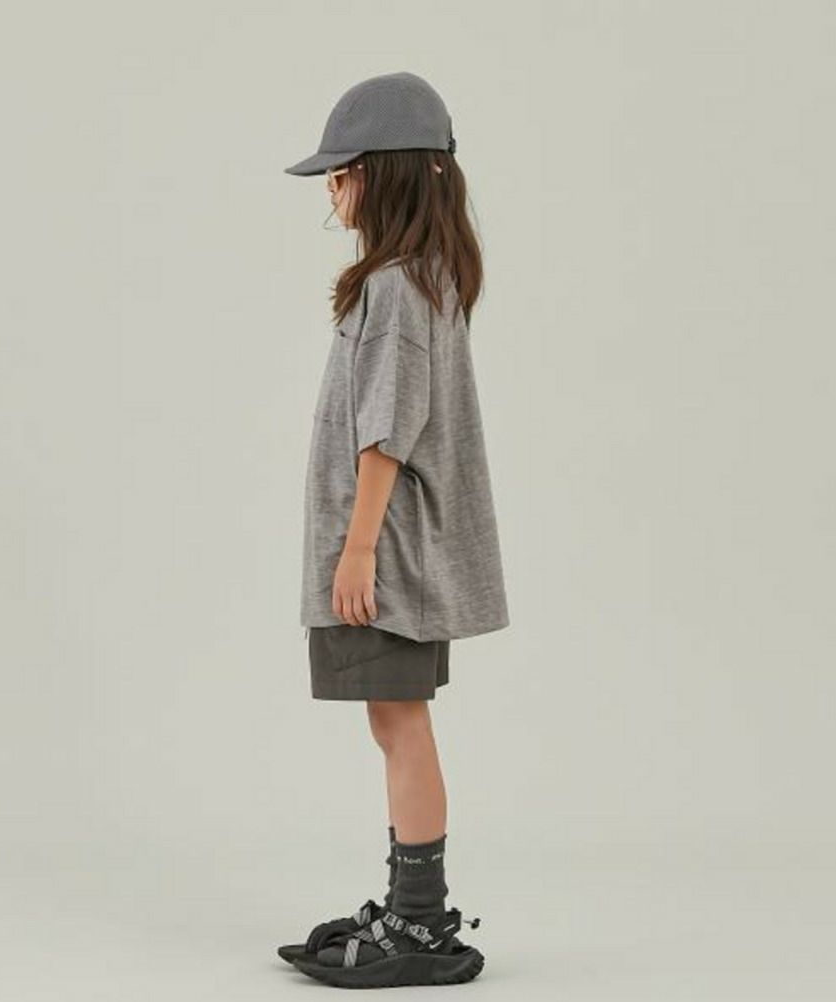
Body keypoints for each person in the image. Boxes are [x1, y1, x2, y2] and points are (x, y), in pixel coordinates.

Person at [277, 71, 510, 989]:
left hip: (391, 556)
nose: (332, 192)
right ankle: (414, 911)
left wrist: (358, 548)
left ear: (386, 174)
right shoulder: (424, 278)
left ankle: (420, 923)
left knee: (401, 723)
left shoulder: (396, 288)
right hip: (401, 550)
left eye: (342, 173)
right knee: (395, 721)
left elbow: (387, 431)